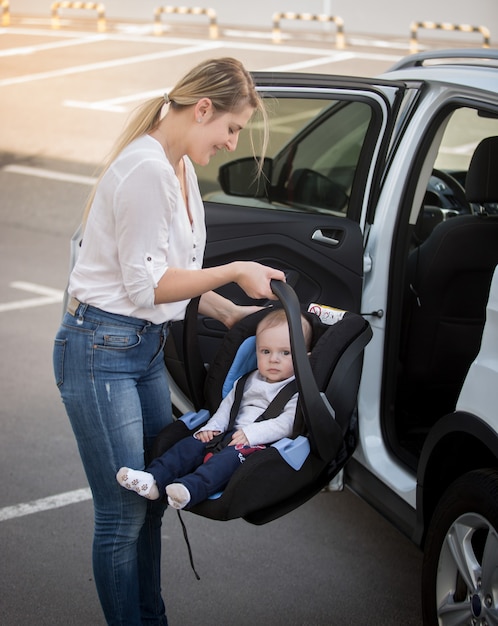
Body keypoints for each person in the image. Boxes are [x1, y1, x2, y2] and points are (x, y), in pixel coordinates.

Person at [52, 57, 286, 626]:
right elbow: (147, 284)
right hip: (99, 350)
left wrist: (231, 312)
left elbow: (172, 271)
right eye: (231, 128)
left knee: (154, 500)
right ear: (202, 108)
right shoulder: (146, 171)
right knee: (122, 513)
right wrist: (232, 268)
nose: (231, 143)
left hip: (142, 347)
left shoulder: (178, 171)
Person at [116, 309, 313, 509]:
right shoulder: (247, 380)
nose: (273, 359)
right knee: (188, 446)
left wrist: (251, 434)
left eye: (285, 353)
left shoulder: (299, 390)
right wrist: (213, 427)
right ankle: (153, 478)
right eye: (265, 351)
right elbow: (227, 407)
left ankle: (190, 489)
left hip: (259, 445)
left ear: (305, 358)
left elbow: (288, 423)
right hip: (227, 434)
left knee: (224, 463)